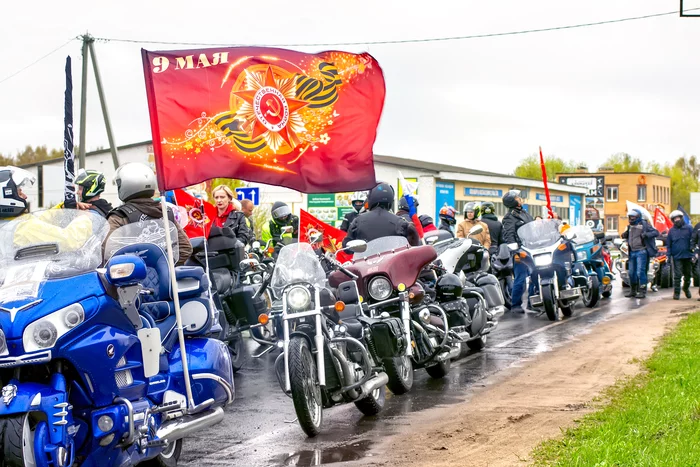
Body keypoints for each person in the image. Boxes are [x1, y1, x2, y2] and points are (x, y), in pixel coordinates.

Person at [106, 162, 192, 265]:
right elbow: (185, 248)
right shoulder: (165, 211)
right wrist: (163, 267)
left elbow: (109, 254)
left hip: (133, 279)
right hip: (167, 279)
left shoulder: (119, 216)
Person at [343, 182, 420, 247]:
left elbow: (346, 245)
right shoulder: (401, 222)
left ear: (370, 199)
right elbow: (413, 248)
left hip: (366, 263)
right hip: (392, 263)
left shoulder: (357, 221)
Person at [501, 190, 534, 313]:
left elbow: (533, 228)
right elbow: (509, 234)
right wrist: (515, 249)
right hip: (521, 251)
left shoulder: (525, 213)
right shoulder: (509, 217)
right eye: (517, 197)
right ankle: (515, 305)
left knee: (535, 274)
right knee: (520, 278)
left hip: (532, 248)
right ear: (513, 201)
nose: (520, 198)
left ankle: (532, 302)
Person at [621, 209, 659, 299]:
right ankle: (633, 291)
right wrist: (624, 235)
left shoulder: (644, 224)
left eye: (633, 217)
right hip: (631, 252)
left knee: (640, 272)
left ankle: (642, 291)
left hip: (641, 251)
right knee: (631, 273)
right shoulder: (630, 227)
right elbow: (626, 235)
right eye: (630, 217)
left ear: (638, 217)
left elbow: (656, 232)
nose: (631, 219)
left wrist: (646, 234)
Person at [667, 210, 694, 300]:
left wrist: (694, 251)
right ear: (672, 220)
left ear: (682, 218)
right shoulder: (671, 231)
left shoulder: (689, 228)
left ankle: (686, 288)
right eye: (674, 219)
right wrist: (668, 255)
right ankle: (677, 293)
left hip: (688, 255)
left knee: (688, 275)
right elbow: (669, 244)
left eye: (678, 218)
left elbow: (694, 240)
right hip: (677, 256)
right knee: (677, 275)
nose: (677, 220)